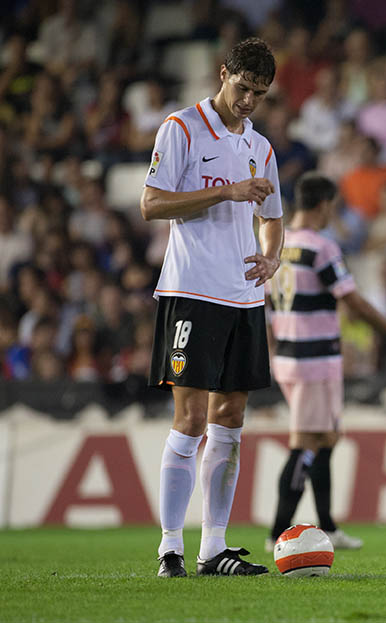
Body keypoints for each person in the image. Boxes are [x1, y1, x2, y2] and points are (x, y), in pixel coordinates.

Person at [142, 38, 283, 578]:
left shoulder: (261, 146)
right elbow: (152, 203)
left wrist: (271, 257)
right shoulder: (180, 128)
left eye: (260, 94)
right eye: (244, 87)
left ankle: (213, 549)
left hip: (244, 296)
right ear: (223, 73)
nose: (249, 101)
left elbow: (272, 213)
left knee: (230, 420)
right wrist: (225, 193)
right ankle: (170, 547)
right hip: (191, 292)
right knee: (190, 419)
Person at [266, 172, 386, 551]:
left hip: (289, 354)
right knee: (306, 442)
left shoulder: (275, 245)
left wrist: (272, 348)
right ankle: (276, 533)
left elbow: (265, 306)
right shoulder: (322, 247)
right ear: (326, 205)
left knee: (327, 439)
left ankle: (328, 526)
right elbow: (354, 301)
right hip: (314, 358)